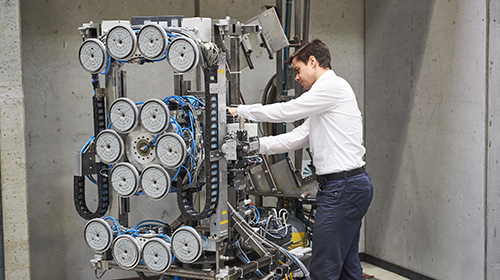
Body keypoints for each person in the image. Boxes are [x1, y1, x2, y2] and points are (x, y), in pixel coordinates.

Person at [228, 39, 373, 280]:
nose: (296, 78)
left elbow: (288, 110)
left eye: (297, 70)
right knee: (347, 268)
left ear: (313, 62)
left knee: (324, 269)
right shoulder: (325, 102)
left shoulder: (331, 87)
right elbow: (296, 138)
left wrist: (240, 111)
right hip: (347, 187)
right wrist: (253, 146)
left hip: (343, 189)